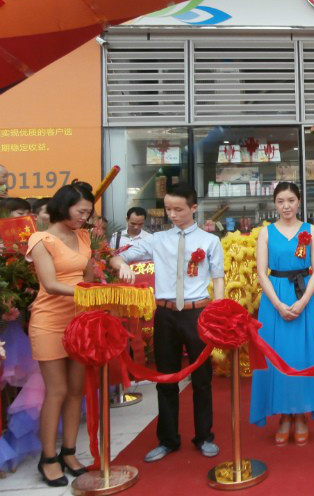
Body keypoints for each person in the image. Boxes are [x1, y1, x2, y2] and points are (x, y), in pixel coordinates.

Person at [111, 183, 224, 463]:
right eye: (168, 209)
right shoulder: (157, 240)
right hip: (165, 314)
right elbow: (116, 256)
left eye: (178, 209)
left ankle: (204, 436)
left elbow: (218, 277)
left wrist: (218, 312)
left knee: (202, 379)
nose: (172, 214)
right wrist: (121, 265)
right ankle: (168, 439)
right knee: (165, 378)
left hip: (198, 313)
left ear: (193, 208)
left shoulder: (210, 241)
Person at [250, 182, 314, 445]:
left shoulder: (311, 230)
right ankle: (284, 415)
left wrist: (304, 301)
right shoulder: (266, 233)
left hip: (303, 297)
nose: (286, 206)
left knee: (303, 357)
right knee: (277, 356)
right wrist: (277, 304)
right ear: (275, 204)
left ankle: (302, 414)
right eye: (281, 201)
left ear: (299, 202)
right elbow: (261, 272)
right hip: (274, 300)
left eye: (291, 201)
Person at [25, 182, 95, 486]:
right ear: (64, 206)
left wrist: (95, 292)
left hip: (79, 321)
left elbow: (88, 276)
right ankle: (48, 458)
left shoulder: (83, 236)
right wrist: (88, 293)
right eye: (81, 211)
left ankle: (69, 451)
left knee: (76, 390)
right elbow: (51, 285)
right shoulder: (41, 239)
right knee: (56, 391)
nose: (84, 217)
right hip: (49, 321)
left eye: (88, 213)